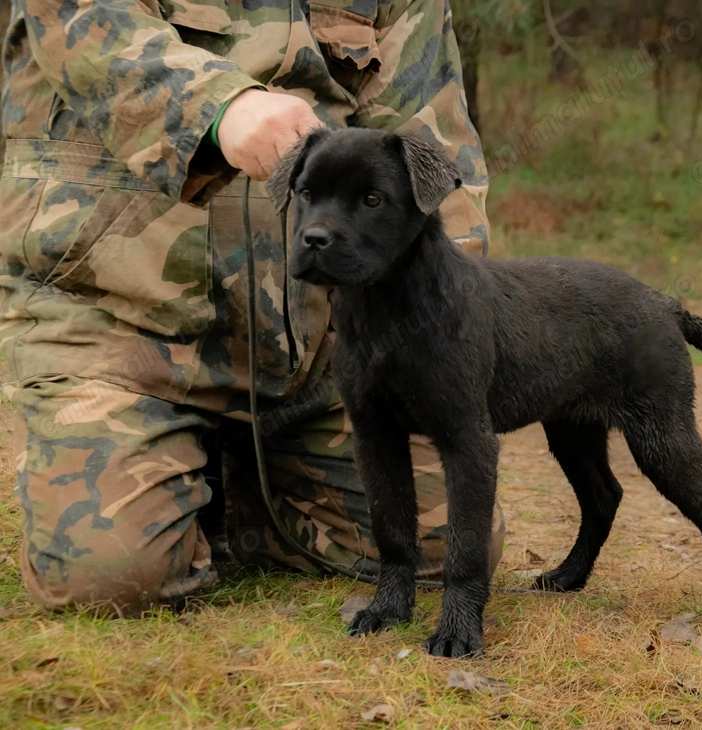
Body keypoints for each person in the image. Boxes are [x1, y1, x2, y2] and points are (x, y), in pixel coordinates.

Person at [0, 0, 504, 615]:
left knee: (442, 545)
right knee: (108, 577)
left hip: (314, 343)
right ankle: (155, 469)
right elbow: (86, 28)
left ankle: (242, 495)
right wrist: (220, 107)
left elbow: (433, 144)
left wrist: (449, 329)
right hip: (117, 322)